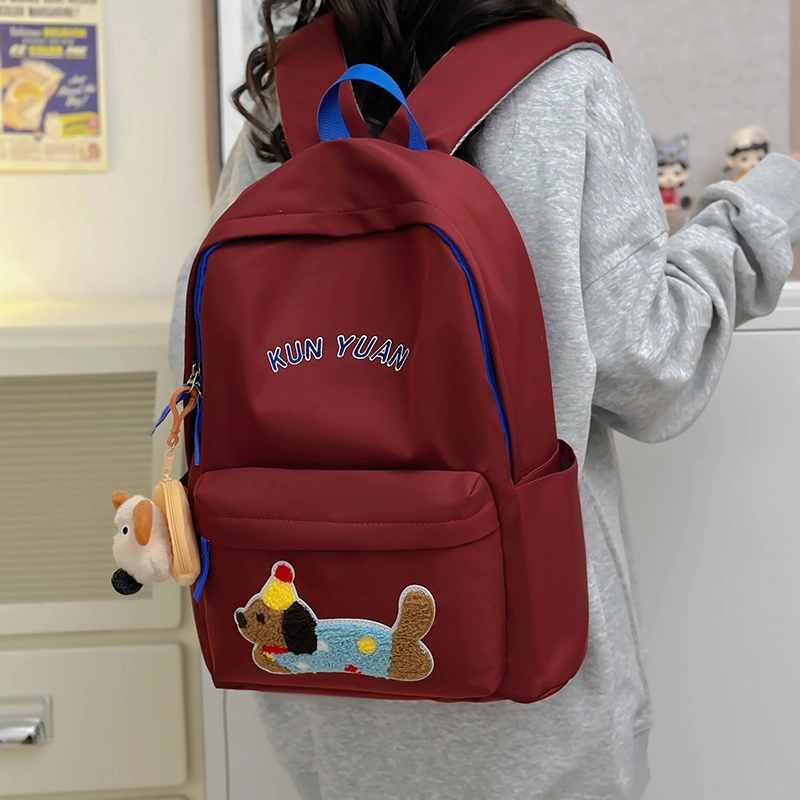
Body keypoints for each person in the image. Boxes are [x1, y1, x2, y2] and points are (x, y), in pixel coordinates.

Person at [169, 2, 800, 798]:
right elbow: (649, 368)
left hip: (319, 679)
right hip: (534, 699)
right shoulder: (563, 85)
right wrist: (764, 208)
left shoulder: (284, 97)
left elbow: (199, 356)